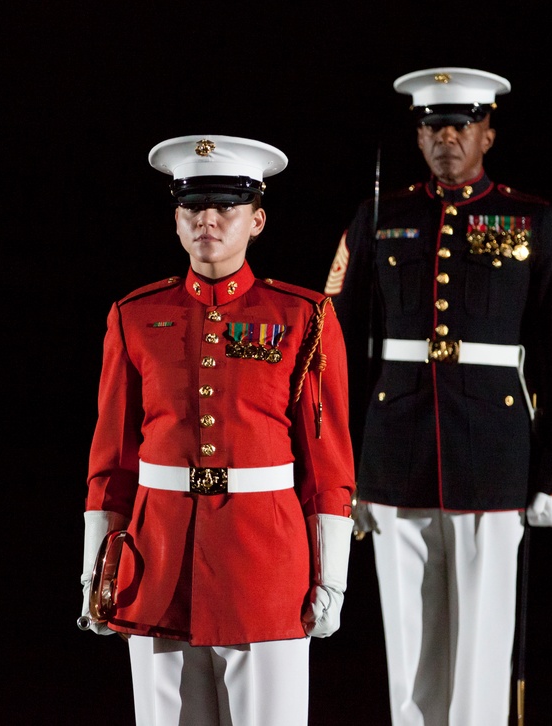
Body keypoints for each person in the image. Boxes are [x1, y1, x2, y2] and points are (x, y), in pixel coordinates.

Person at [324, 68, 552, 725]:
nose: (447, 136)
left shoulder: (537, 221)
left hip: (497, 460)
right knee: (410, 651)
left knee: (481, 653)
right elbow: (328, 350)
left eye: (462, 124)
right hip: (393, 456)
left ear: (488, 133)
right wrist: (340, 469)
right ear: (417, 138)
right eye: (432, 126)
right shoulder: (378, 218)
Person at [78, 134, 357, 726]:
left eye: (225, 206)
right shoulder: (133, 316)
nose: (207, 218)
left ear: (256, 219)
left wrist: (331, 578)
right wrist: (95, 571)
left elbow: (327, 464)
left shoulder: (303, 317)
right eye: (192, 207)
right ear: (176, 221)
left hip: (266, 570)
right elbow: (112, 462)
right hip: (155, 569)